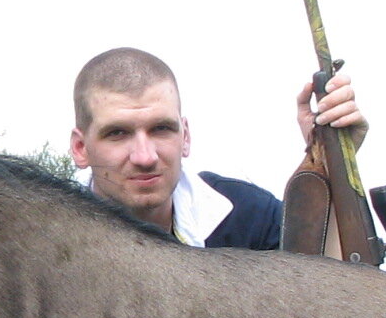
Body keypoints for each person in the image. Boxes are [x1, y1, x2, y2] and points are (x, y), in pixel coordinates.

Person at [68, 46, 366, 249]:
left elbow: (325, 286)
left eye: (161, 129)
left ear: (185, 137)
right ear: (81, 148)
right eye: (118, 133)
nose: (145, 157)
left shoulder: (247, 216)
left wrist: (331, 167)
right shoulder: (43, 241)